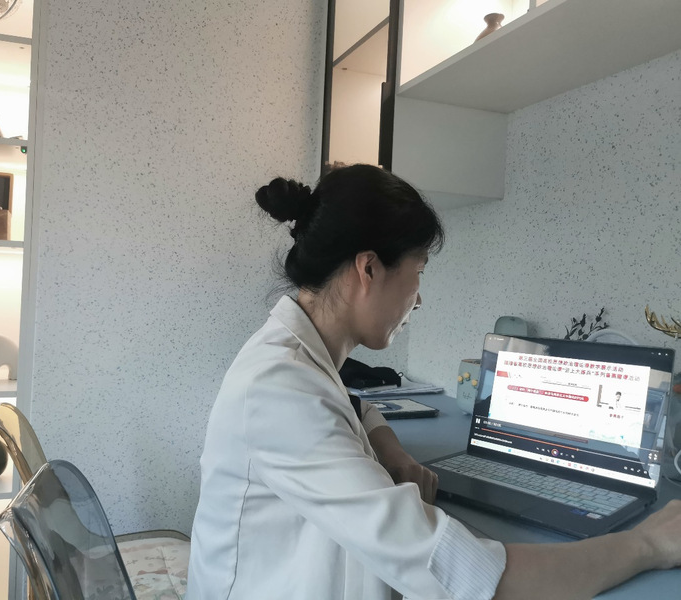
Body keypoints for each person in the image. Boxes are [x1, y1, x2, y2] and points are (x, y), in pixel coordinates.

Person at [186, 164, 681, 600]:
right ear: (368, 268)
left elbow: (353, 406)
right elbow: (478, 582)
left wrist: (393, 452)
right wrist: (647, 544)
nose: (418, 299)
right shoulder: (279, 390)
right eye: (418, 271)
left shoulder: (297, 358)